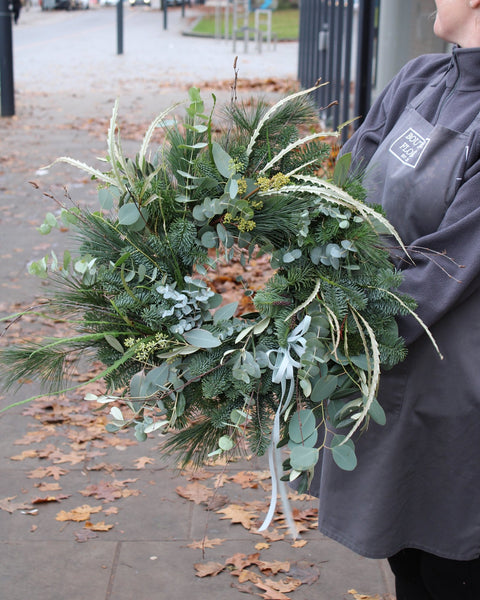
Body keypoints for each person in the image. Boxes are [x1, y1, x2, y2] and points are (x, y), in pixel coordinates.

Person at [309, 1, 480, 599]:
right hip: (386, 380)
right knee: (407, 562)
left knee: (453, 567)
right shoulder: (419, 79)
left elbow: (448, 265)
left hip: (455, 401)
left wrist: (333, 316)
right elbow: (343, 191)